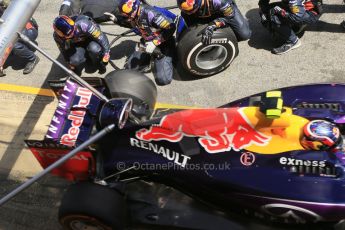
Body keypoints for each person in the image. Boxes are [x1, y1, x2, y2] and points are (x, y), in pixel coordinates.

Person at [117, 0, 176, 86]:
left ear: (135, 9)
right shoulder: (133, 15)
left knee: (163, 80)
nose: (128, 18)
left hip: (165, 43)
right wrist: (117, 20)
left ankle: (164, 58)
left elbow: (171, 27)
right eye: (125, 16)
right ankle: (147, 59)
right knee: (129, 69)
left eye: (128, 15)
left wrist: (155, 43)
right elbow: (130, 23)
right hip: (147, 41)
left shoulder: (151, 14)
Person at [176, 0, 251, 45]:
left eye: (191, 11)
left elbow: (229, 16)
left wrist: (213, 25)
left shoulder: (220, 1)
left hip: (223, 11)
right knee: (186, 21)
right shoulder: (187, 8)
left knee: (244, 34)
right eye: (186, 11)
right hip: (205, 10)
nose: (189, 13)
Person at [0, 0, 40, 76]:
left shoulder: (3, 6)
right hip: (16, 28)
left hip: (29, 30)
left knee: (12, 44)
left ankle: (33, 59)